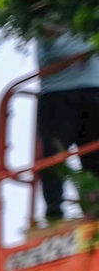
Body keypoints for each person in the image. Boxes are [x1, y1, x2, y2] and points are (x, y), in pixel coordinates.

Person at [37, 31, 99, 221]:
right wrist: (86, 51)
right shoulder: (48, 10)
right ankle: (54, 210)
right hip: (58, 92)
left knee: (94, 155)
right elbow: (49, 36)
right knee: (55, 155)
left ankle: (94, 208)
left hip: (92, 88)